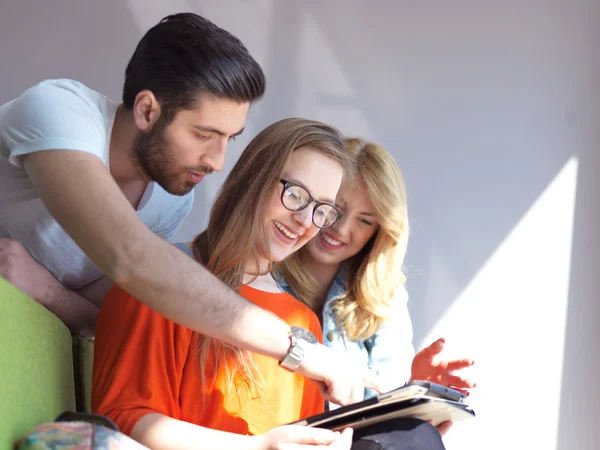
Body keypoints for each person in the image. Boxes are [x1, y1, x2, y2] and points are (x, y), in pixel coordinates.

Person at [0, 13, 375, 405]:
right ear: (147, 111)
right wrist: (302, 350)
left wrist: (46, 291)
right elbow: (132, 259)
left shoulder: (170, 197)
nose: (217, 162)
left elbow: (103, 316)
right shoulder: (59, 110)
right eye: (204, 135)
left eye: (230, 138)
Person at [92, 118, 358, 449]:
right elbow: (123, 421)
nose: (305, 220)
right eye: (296, 195)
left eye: (323, 210)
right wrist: (260, 447)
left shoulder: (303, 324)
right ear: (253, 180)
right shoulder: (163, 282)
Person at [274, 138, 475, 425]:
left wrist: (413, 393)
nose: (341, 229)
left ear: (379, 232)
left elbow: (385, 411)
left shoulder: (383, 294)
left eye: (365, 221)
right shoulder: (260, 273)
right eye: (335, 209)